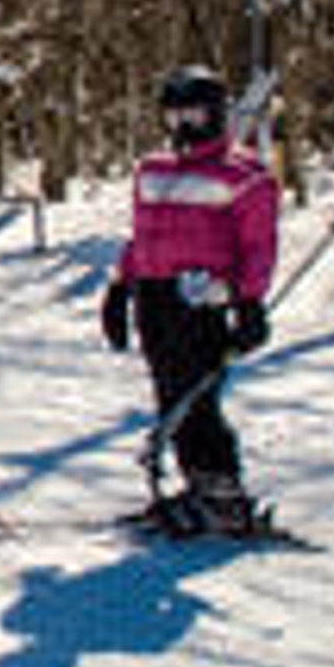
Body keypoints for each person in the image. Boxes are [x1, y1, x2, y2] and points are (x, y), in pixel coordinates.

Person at [102, 64, 279, 536]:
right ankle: (198, 485)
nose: (182, 125)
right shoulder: (152, 169)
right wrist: (120, 287)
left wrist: (249, 302)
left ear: (217, 114)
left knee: (196, 398)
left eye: (193, 114)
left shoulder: (244, 175)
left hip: (201, 299)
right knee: (169, 395)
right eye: (174, 115)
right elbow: (142, 236)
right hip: (154, 296)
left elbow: (259, 245)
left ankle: (223, 493)